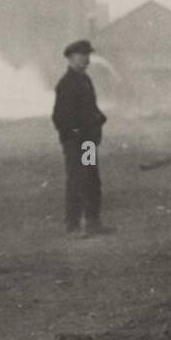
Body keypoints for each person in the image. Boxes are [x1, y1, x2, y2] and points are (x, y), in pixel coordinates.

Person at [52, 39, 108, 235]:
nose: (87, 60)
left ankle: (93, 222)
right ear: (71, 58)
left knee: (91, 179)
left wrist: (99, 118)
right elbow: (60, 117)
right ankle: (73, 226)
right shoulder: (66, 84)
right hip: (77, 143)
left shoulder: (84, 80)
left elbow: (89, 109)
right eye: (83, 56)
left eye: (87, 56)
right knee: (77, 180)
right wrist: (75, 135)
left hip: (88, 142)